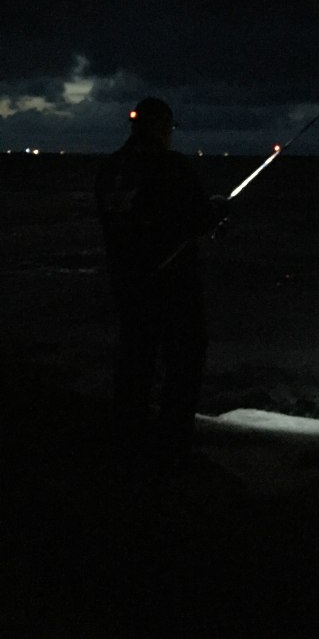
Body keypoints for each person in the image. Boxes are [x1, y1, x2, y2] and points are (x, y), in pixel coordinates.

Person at [95, 97, 227, 468]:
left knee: (134, 363)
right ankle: (172, 449)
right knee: (183, 365)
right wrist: (218, 209)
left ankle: (127, 441)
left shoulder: (109, 169)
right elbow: (199, 218)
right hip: (172, 287)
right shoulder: (172, 166)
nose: (171, 134)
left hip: (126, 283)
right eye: (169, 127)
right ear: (160, 126)